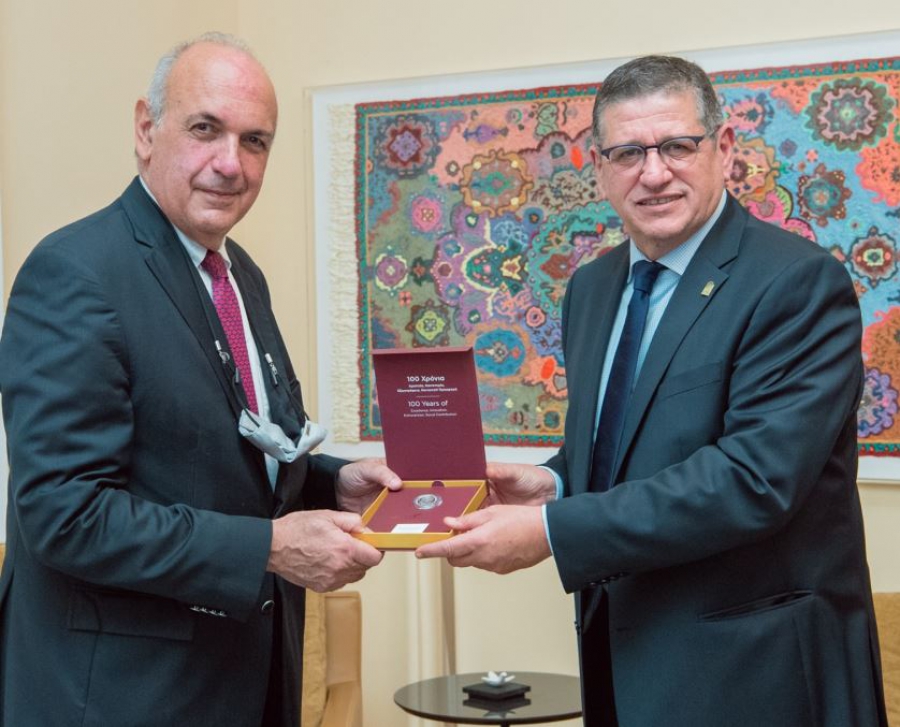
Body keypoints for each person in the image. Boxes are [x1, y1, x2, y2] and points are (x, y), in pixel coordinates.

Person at [418, 55, 887, 726]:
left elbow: (752, 479)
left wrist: (551, 530)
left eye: (677, 146)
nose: (655, 172)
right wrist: (556, 484)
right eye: (629, 152)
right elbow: (632, 443)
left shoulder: (797, 283)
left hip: (760, 678)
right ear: (599, 167)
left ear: (724, 149)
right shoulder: (591, 288)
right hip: (622, 664)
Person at [0, 33, 399, 727]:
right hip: (123, 697)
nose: (231, 164)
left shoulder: (239, 274)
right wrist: (270, 548)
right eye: (206, 129)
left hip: (244, 681)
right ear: (146, 130)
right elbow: (65, 514)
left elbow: (224, 450)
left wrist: (332, 483)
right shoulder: (76, 272)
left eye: (255, 141)